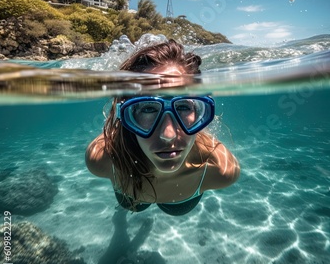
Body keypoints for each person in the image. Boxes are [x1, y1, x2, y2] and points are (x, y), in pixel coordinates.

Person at [86, 39, 240, 216]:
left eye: (183, 107)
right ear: (126, 116)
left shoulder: (220, 170)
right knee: (132, 205)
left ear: (200, 113)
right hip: (129, 183)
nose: (168, 135)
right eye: (148, 109)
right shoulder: (102, 159)